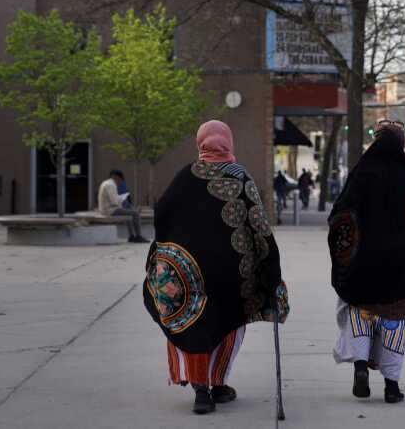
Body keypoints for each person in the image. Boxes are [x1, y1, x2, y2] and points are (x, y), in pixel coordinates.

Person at [144, 120, 290, 416]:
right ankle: (219, 383)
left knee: (193, 321)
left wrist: (169, 247)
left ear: (201, 143)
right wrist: (271, 271)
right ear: (229, 143)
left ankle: (201, 389)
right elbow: (259, 227)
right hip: (231, 273)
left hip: (189, 272)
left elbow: (162, 214)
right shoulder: (240, 177)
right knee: (229, 322)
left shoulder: (184, 176)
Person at [327, 119, 405, 404]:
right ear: (401, 143)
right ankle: (391, 386)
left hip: (362, 270)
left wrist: (347, 253)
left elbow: (340, 218)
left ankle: (360, 367)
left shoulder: (360, 175)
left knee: (360, 316)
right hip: (400, 272)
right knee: (394, 324)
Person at [98, 169, 145, 243]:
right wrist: (121, 199)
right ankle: (138, 236)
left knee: (129, 212)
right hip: (110, 210)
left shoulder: (106, 183)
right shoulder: (111, 185)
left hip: (106, 209)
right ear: (116, 177)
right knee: (135, 213)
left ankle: (131, 236)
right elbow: (114, 202)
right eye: (120, 180)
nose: (119, 183)